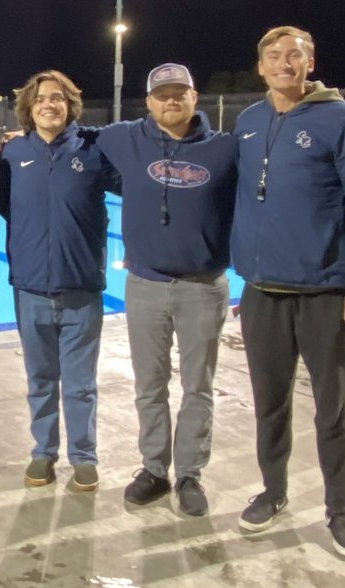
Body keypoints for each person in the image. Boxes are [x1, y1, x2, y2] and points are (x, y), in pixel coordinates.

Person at [232, 26, 345, 559]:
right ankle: (273, 493)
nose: (283, 62)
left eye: (293, 55)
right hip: (261, 293)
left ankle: (339, 509)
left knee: (331, 409)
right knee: (269, 406)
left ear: (310, 61)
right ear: (260, 67)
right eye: (273, 56)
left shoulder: (343, 120)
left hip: (325, 293)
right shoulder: (249, 122)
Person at [96, 64, 237, 516]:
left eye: (180, 93)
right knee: (149, 385)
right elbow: (69, 134)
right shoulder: (125, 138)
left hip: (203, 286)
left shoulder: (226, 149)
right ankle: (154, 468)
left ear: (195, 98)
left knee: (199, 386)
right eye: (162, 95)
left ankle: (190, 473)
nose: (171, 101)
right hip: (145, 285)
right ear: (149, 101)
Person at [0, 70, 120, 492]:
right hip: (30, 288)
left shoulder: (93, 149)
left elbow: (136, 181)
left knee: (81, 384)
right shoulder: (12, 155)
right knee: (40, 380)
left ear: (70, 106)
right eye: (42, 99)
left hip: (82, 288)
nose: (50, 105)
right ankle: (42, 453)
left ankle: (84, 456)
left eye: (59, 99)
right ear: (29, 108)